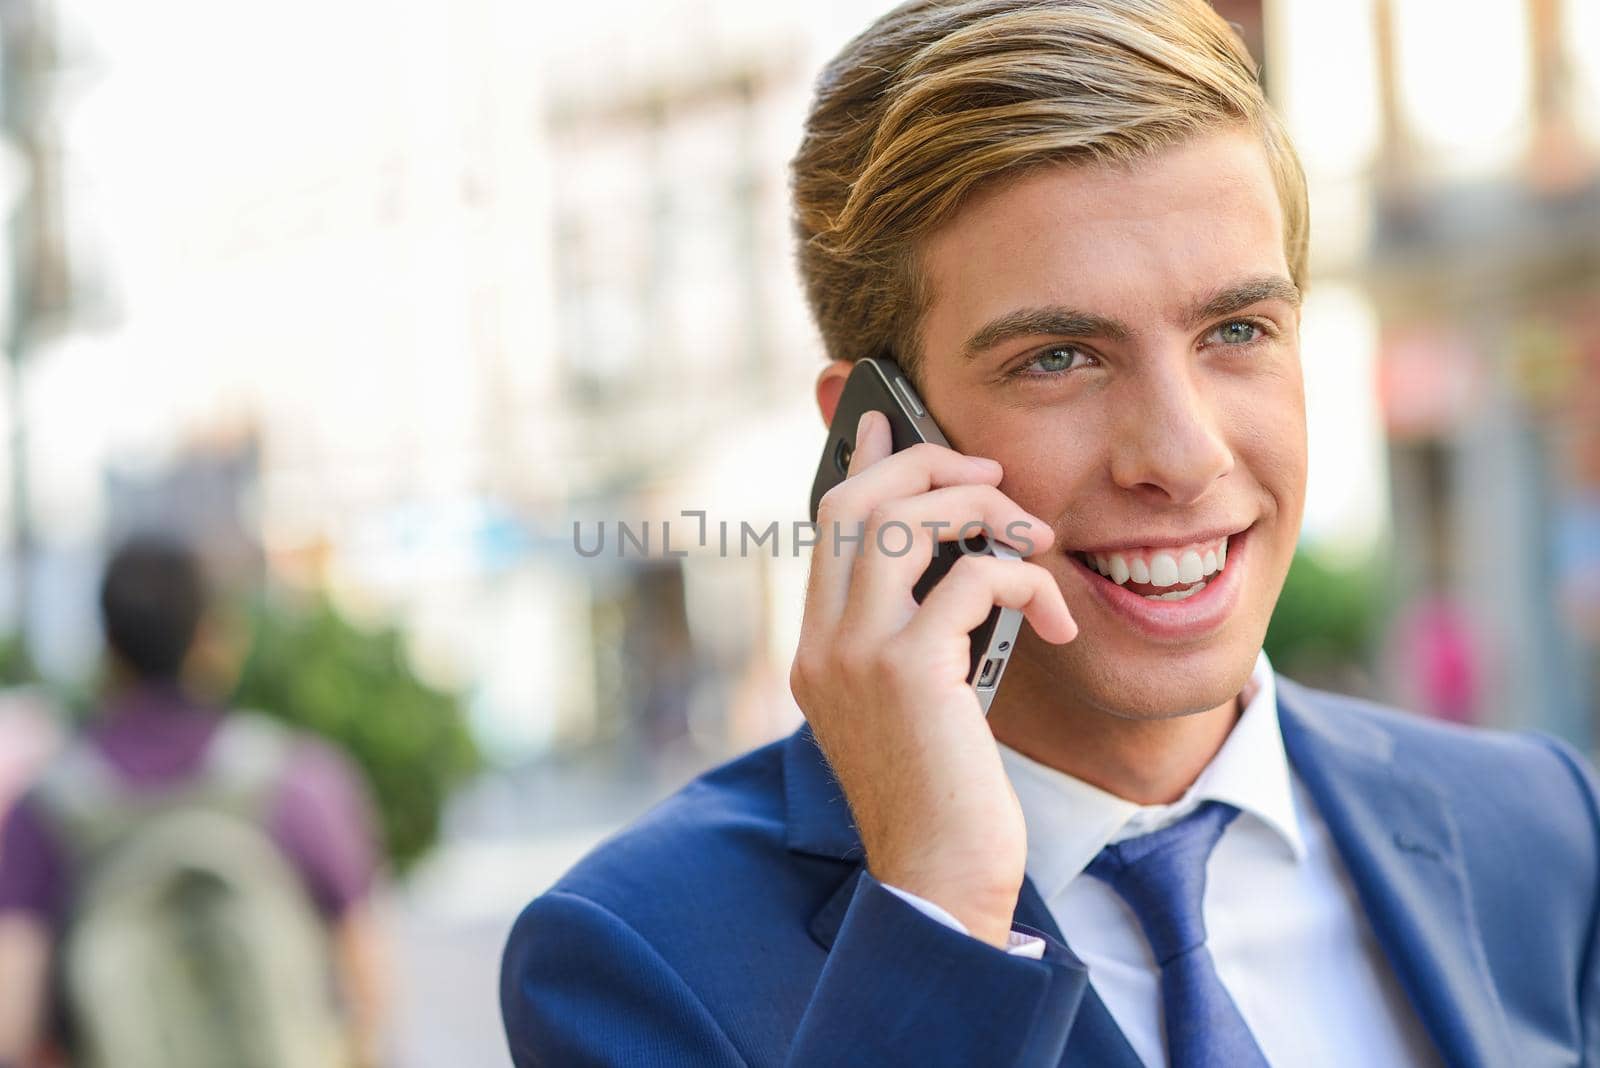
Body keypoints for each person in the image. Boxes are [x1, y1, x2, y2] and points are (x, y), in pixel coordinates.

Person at [499, 1, 1600, 1064]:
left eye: (1236, 329)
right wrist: (935, 908)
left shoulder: (1543, 830)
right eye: (1058, 359)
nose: (1181, 455)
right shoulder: (636, 957)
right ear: (875, 442)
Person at [0, 535, 389, 1068]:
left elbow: (12, 1022)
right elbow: (367, 994)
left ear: (109, 648)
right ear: (211, 639)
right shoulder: (297, 783)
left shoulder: (46, 811)